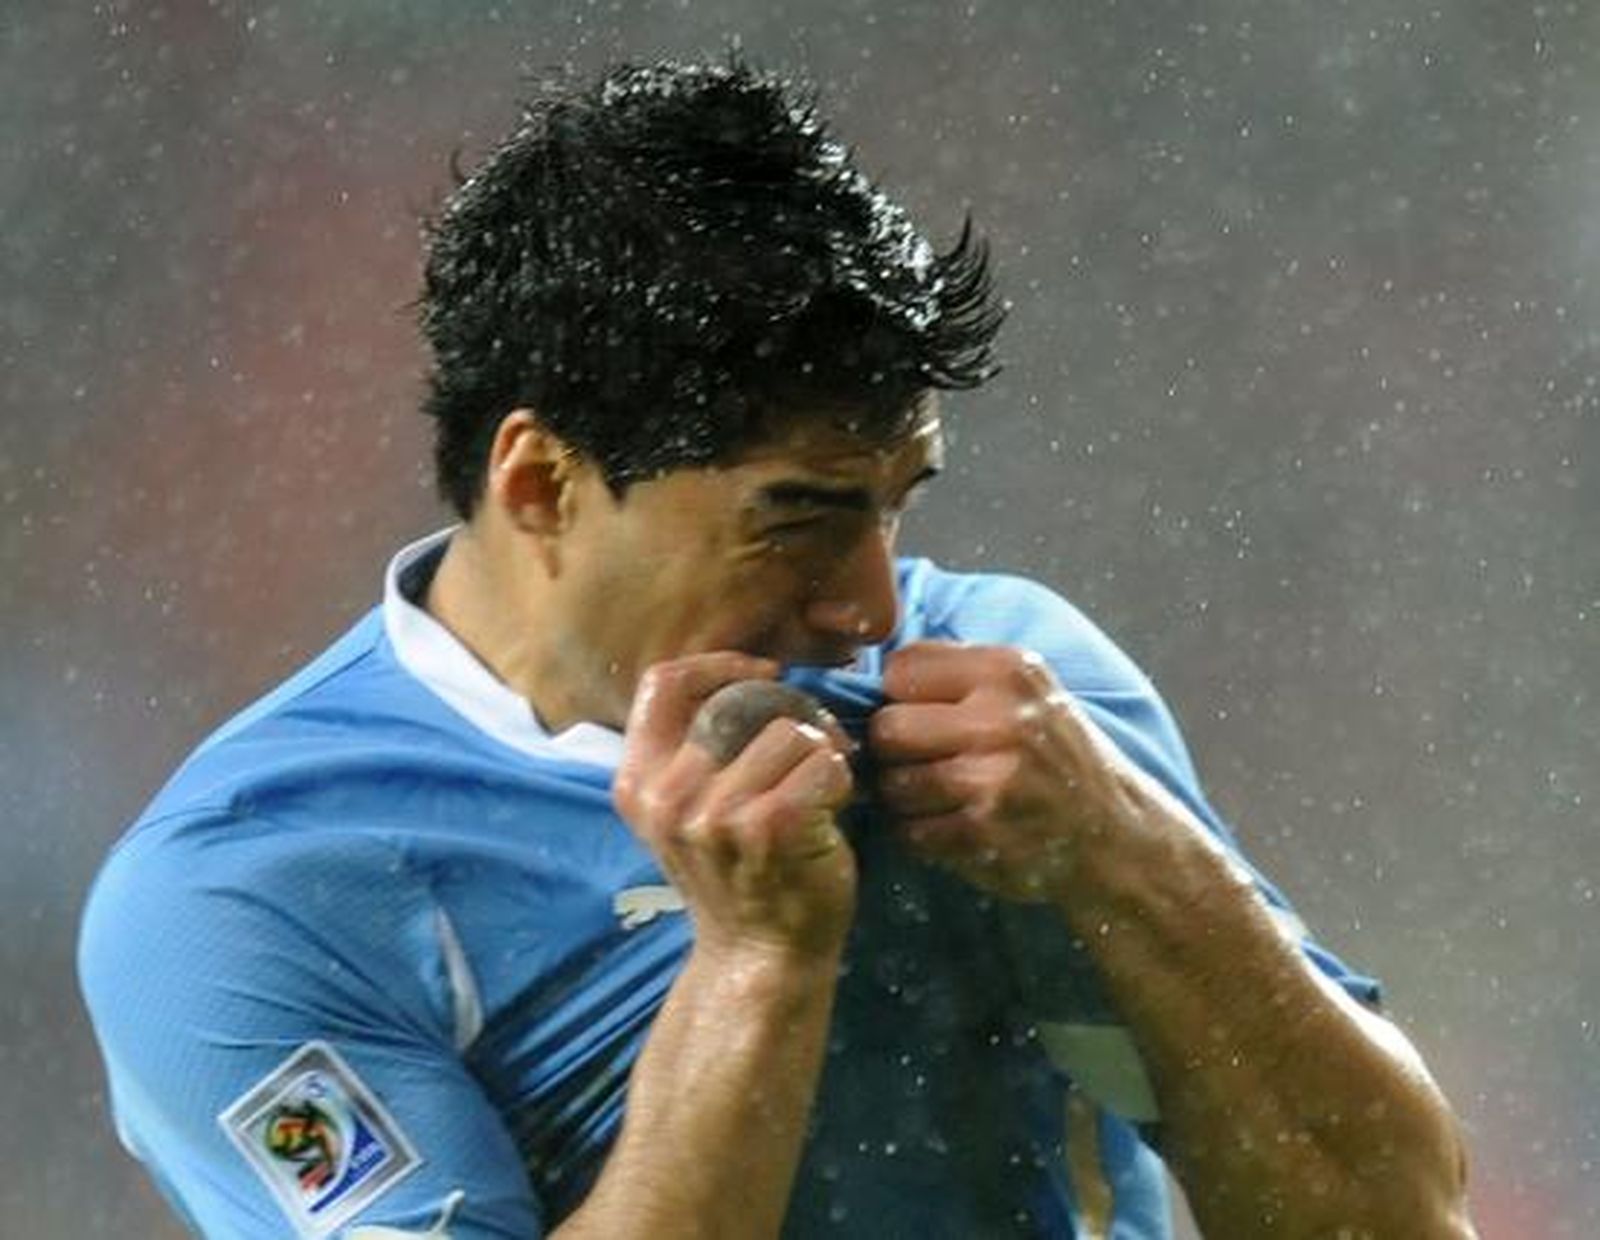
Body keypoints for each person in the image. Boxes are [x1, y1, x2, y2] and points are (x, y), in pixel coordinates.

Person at [79, 58, 1473, 1239]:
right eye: (799, 519)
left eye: (895, 504)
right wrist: (756, 968)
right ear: (543, 485)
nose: (873, 610)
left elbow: (1398, 1216)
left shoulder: (1011, 690)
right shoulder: (244, 899)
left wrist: (1123, 852)